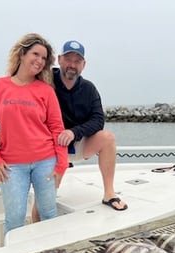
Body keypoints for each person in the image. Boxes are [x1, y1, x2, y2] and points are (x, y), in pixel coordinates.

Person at [0, 33, 68, 235]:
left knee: (48, 214)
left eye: (44, 58)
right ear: (22, 54)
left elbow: (57, 129)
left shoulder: (45, 91)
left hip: (45, 162)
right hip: (11, 166)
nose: (39, 61)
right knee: (14, 220)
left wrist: (61, 164)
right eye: (35, 54)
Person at [32, 39, 128, 221]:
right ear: (59, 59)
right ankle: (33, 230)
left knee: (107, 138)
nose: (72, 65)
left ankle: (109, 193)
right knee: (42, 201)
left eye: (77, 61)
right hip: (51, 148)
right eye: (68, 59)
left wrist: (74, 132)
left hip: (79, 143)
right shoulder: (45, 82)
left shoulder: (89, 89)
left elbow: (99, 120)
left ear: (83, 65)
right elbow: (21, 103)